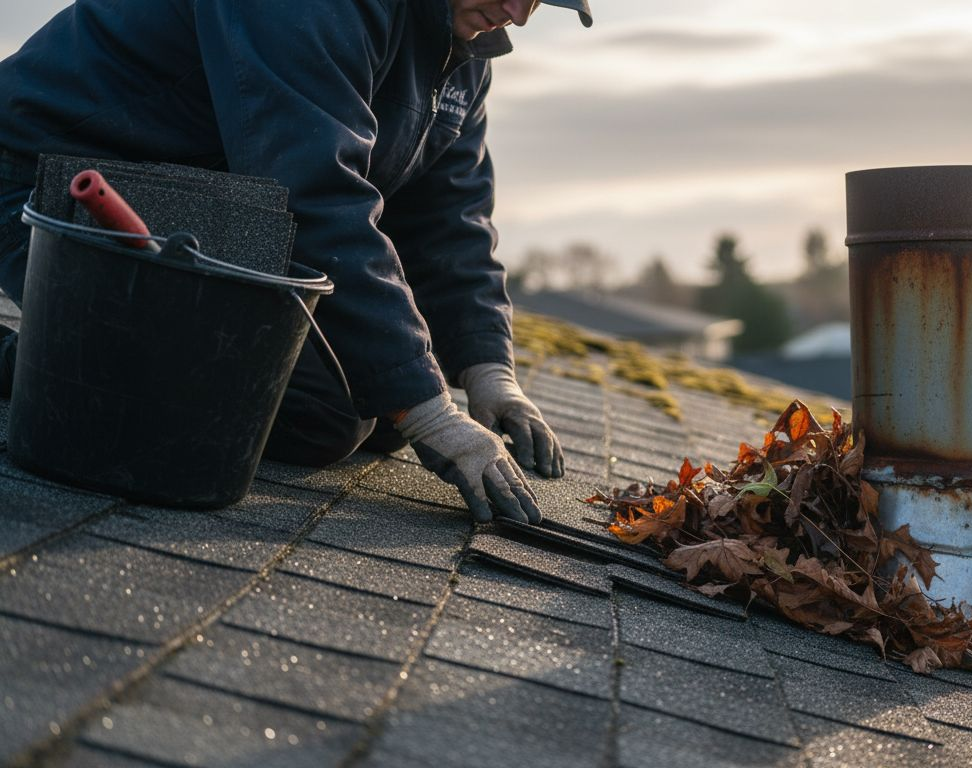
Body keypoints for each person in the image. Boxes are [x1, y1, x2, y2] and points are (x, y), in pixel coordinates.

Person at [0, 0, 592, 523]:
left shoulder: (461, 53)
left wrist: (490, 370)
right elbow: (311, 191)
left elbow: (450, 217)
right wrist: (430, 413)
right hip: (52, 188)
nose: (518, 14)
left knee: (382, 408)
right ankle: (38, 362)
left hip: (201, 207)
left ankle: (89, 353)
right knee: (324, 410)